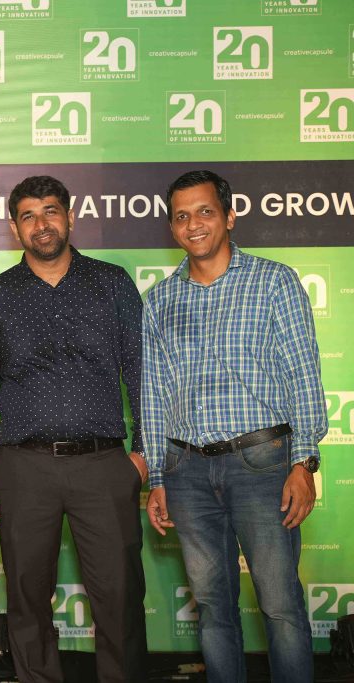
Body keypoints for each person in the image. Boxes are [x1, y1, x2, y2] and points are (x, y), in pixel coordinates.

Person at [142, 170, 325, 683]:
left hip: (263, 465)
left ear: (229, 216)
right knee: (212, 608)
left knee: (280, 604)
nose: (193, 224)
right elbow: (155, 394)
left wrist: (304, 461)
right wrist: (158, 476)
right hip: (187, 472)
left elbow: (303, 372)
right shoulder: (160, 300)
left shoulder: (274, 282)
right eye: (182, 216)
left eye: (205, 211)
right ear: (172, 227)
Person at [0, 175, 148, 683]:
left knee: (119, 596)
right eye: (28, 215)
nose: (41, 224)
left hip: (104, 464)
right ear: (14, 228)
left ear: (70, 217)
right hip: (23, 468)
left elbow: (140, 371)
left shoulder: (111, 283)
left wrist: (143, 454)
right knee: (27, 598)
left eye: (50, 211)